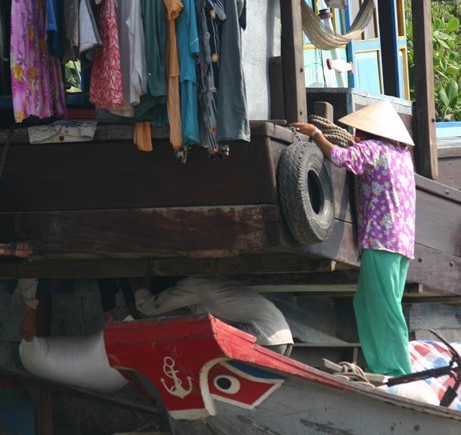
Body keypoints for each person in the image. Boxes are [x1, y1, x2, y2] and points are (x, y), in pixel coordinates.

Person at [292, 100, 415, 377]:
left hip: (381, 240)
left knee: (383, 306)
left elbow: (339, 157)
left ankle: (396, 369)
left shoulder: (372, 149)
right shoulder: (402, 155)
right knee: (368, 302)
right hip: (402, 242)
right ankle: (378, 364)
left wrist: (315, 134)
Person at [135, 274, 294, 356]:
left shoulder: (192, 286)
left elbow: (150, 308)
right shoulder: (211, 280)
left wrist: (136, 287)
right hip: (282, 339)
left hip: (261, 338)